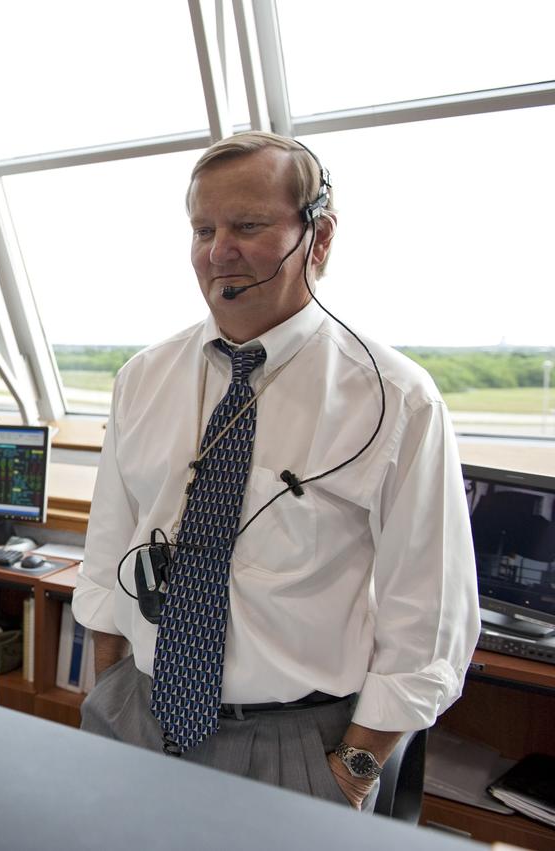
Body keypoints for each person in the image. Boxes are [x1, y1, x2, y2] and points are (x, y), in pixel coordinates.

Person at [73, 131, 479, 810]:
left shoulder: (396, 400)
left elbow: (430, 622)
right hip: (135, 718)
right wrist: (111, 691)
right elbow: (106, 559)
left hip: (296, 749)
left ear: (318, 239)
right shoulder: (142, 378)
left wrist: (351, 770)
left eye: (248, 225)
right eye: (203, 227)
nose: (217, 250)